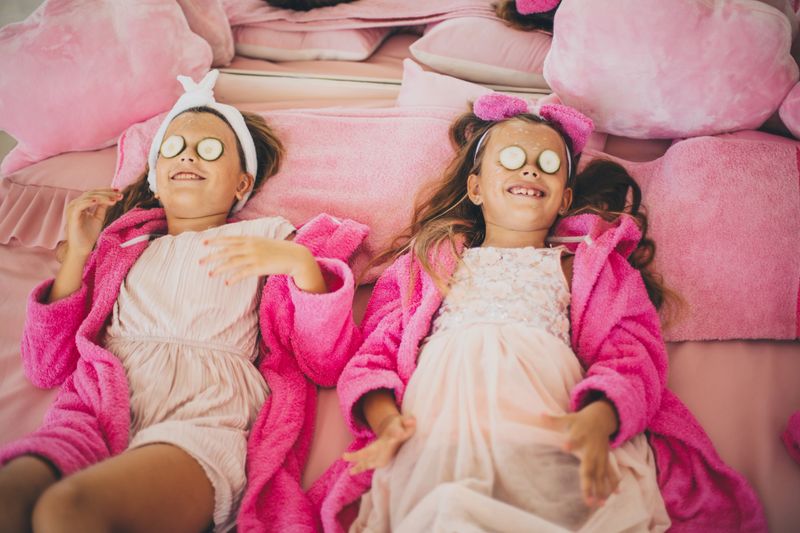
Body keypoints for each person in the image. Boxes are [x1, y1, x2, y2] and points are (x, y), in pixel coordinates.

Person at [323, 93, 766, 532]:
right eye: (512, 157)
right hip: (440, 422)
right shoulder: (426, 266)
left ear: (564, 199)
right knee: (445, 510)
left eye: (548, 164)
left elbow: (634, 353)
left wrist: (599, 416)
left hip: (547, 416)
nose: (530, 169)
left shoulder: (590, 267)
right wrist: (387, 423)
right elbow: (373, 355)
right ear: (476, 188)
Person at [0, 70, 365, 533]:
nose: (188, 153)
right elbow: (45, 364)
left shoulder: (270, 238)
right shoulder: (123, 249)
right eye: (173, 147)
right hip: (96, 414)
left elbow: (323, 363)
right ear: (155, 178)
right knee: (11, 496)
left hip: (203, 421)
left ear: (241, 184)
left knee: (67, 511)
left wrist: (299, 265)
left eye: (210, 149)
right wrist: (76, 256)